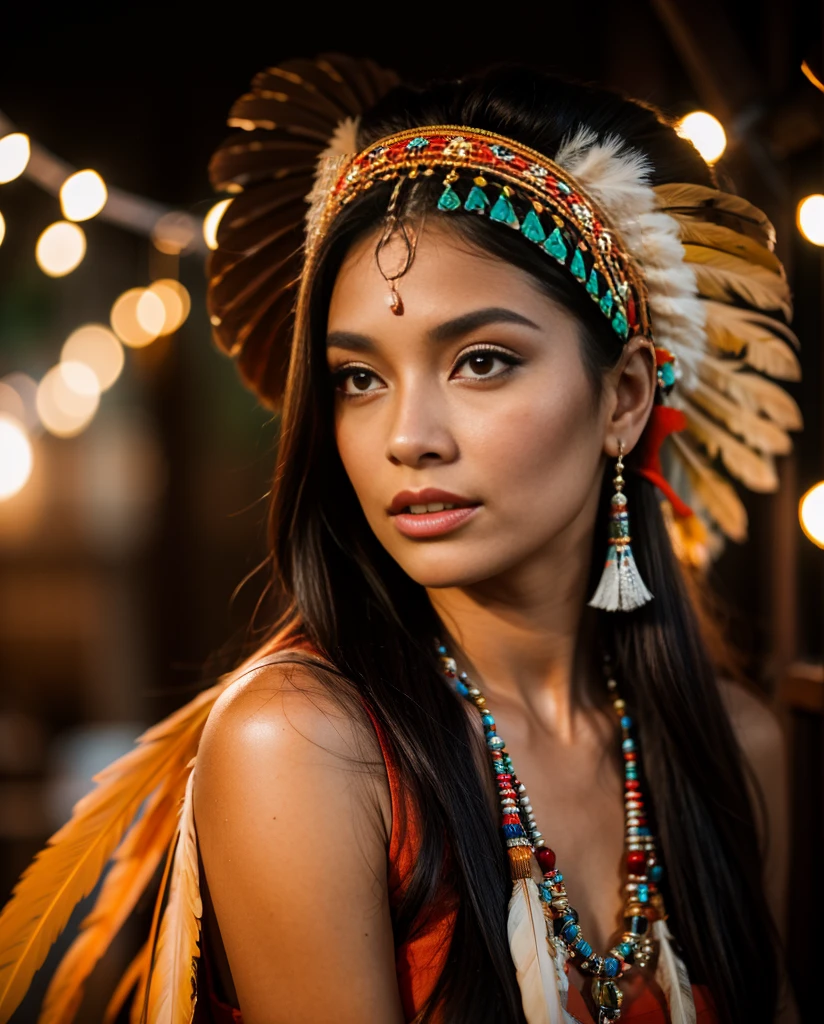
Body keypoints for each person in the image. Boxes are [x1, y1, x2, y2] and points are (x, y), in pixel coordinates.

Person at [0, 54, 803, 1024]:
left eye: (480, 360)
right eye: (358, 378)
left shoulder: (733, 747)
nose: (406, 436)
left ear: (623, 397)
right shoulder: (303, 748)